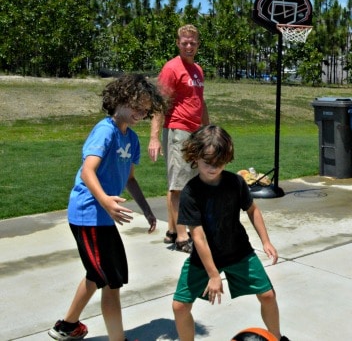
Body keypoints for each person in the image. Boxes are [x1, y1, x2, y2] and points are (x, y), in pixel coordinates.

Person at [48, 74, 167, 341]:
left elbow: (129, 179)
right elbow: (88, 171)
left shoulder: (132, 139)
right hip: (88, 213)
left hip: (102, 216)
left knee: (99, 274)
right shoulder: (105, 130)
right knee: (111, 281)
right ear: (120, 100)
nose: (141, 114)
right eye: (137, 107)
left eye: (146, 111)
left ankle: (67, 326)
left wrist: (147, 210)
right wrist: (104, 200)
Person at [172, 125, 290, 341]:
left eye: (219, 163)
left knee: (267, 295)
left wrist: (266, 241)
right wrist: (213, 274)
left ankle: (276, 338)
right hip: (204, 258)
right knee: (179, 306)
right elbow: (198, 236)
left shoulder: (236, 182)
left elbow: (252, 209)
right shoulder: (190, 192)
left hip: (239, 252)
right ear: (195, 156)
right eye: (207, 162)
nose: (213, 168)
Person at [148, 24, 210, 253]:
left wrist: (209, 130)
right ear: (178, 43)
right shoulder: (171, 68)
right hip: (177, 130)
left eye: (193, 42)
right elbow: (158, 104)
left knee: (182, 181)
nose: (189, 46)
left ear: (198, 44)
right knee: (180, 186)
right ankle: (183, 238)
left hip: (195, 132)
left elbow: (200, 102)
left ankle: (173, 230)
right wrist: (154, 138)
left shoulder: (198, 70)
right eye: (184, 42)